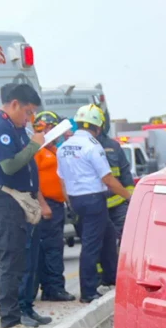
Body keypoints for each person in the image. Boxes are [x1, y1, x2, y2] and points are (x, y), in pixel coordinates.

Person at [0, 83, 44, 328]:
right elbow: (8, 166)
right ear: (14, 104)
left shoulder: (14, 127)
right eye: (28, 112)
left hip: (14, 201)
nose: (28, 118)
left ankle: (15, 317)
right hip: (3, 201)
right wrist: (34, 146)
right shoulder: (0, 128)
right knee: (10, 262)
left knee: (17, 261)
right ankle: (8, 323)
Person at [57, 105, 132, 302]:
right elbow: (107, 179)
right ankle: (88, 291)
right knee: (91, 245)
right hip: (93, 199)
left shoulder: (64, 147)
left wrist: (70, 202)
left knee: (108, 235)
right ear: (98, 127)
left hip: (76, 199)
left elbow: (62, 179)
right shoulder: (93, 146)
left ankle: (110, 276)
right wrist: (129, 197)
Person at [28, 111, 75, 303]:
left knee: (53, 247)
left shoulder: (52, 149)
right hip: (46, 206)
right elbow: (33, 181)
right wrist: (43, 204)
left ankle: (51, 287)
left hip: (56, 205)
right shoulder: (37, 151)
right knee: (51, 248)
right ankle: (54, 288)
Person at [95, 108, 135, 242]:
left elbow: (126, 175)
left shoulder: (113, 146)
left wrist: (130, 200)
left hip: (118, 206)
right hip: (95, 207)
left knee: (124, 240)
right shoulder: (84, 147)